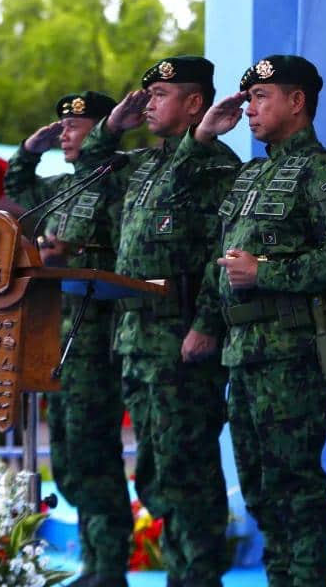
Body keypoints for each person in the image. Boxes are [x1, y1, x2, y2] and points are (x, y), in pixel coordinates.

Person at [196, 54, 326, 587]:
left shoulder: (323, 174)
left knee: (296, 488)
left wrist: (264, 272)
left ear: (297, 102)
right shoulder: (249, 176)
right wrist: (201, 137)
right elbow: (199, 218)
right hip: (243, 352)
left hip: (290, 352)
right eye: (247, 99)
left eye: (261, 97)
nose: (249, 108)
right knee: (259, 489)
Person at [78, 56, 238, 587]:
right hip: (136, 338)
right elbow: (91, 168)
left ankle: (199, 575)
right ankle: (181, 570)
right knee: (153, 469)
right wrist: (110, 128)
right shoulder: (143, 165)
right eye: (146, 93)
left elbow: (226, 253)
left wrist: (209, 324)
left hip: (180, 336)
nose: (148, 102)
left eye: (161, 93)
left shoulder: (214, 165)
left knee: (185, 466)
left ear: (195, 103)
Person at [4, 90, 133, 587]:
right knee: (68, 454)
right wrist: (31, 149)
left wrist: (72, 257)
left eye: (76, 126)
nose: (66, 134)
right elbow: (18, 184)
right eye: (63, 126)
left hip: (98, 334)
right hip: (60, 336)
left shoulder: (116, 183)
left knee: (93, 450)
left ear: (102, 128)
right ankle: (95, 562)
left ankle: (109, 564)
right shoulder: (65, 185)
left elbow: (128, 255)